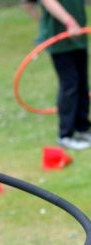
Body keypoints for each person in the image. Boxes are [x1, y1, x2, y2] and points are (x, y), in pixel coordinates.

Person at [39, 0, 91, 150]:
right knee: (70, 85)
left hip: (79, 37)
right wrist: (69, 22)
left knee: (82, 83)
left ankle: (82, 128)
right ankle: (65, 135)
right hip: (61, 38)